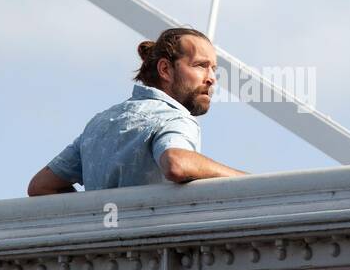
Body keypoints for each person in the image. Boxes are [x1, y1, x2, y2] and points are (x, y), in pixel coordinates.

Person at [27, 27, 246, 194]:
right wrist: (244, 181)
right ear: (165, 69)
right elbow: (177, 163)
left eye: (213, 69)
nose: (211, 78)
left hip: (100, 251)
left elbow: (41, 186)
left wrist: (92, 212)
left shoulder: (101, 123)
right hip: (157, 252)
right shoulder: (174, 118)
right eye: (200, 65)